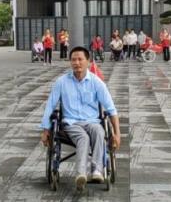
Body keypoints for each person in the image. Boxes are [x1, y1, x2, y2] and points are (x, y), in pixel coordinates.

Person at [40, 46, 121, 192]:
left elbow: (111, 109)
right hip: (71, 123)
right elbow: (50, 106)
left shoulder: (97, 83)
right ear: (70, 62)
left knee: (99, 131)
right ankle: (81, 174)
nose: (76, 63)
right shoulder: (61, 82)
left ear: (88, 61)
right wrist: (45, 130)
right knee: (83, 138)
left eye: (80, 59)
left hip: (92, 121)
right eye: (73, 60)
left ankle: (97, 170)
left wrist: (117, 134)